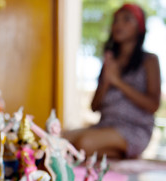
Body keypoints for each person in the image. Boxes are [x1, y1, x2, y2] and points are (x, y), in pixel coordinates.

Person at [64, 3, 161, 159]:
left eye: (126, 20)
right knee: (57, 140)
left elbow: (153, 105)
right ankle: (115, 154)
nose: (118, 25)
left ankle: (126, 154)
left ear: (140, 28)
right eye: (115, 20)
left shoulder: (149, 60)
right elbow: (94, 106)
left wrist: (118, 82)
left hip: (133, 129)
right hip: (105, 126)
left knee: (84, 144)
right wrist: (107, 81)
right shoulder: (110, 62)